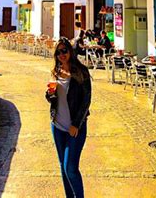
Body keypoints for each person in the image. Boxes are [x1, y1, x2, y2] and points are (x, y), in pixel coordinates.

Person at [46, 37, 91, 198]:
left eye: (64, 50)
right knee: (62, 167)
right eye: (58, 52)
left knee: (70, 168)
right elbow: (53, 99)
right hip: (57, 125)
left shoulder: (81, 72)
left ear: (70, 51)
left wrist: (76, 124)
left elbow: (86, 101)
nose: (61, 55)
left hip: (74, 127)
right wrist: (49, 94)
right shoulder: (55, 72)